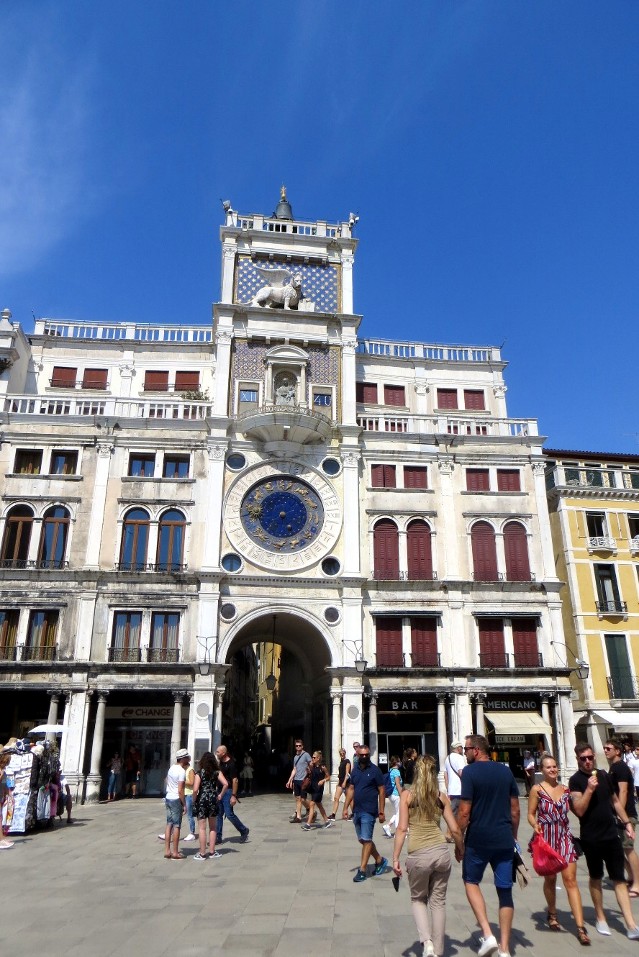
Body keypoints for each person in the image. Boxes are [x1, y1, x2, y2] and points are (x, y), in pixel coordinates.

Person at [456, 734, 520, 957]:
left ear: (476, 750)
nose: (464, 753)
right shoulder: (505, 771)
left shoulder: (470, 773)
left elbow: (464, 812)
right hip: (503, 839)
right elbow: (515, 810)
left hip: (479, 839)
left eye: (466, 749)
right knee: (505, 891)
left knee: (471, 881)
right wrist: (514, 837)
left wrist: (458, 840)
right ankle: (504, 948)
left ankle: (488, 933)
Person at [393, 754, 463, 957]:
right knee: (438, 902)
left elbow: (402, 829)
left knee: (418, 899)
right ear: (434, 774)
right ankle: (439, 951)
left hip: (418, 854)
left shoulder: (407, 795)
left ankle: (427, 943)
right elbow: (455, 829)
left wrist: (396, 858)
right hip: (441, 852)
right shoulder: (441, 797)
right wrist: (460, 849)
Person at [569, 741, 639, 940]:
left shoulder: (604, 775)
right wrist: (589, 790)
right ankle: (600, 916)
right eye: (584, 759)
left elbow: (615, 801)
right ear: (578, 760)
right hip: (591, 837)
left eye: (591, 757)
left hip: (611, 834)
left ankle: (631, 923)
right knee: (596, 877)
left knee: (619, 878)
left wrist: (626, 822)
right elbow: (579, 810)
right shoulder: (575, 781)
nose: (589, 761)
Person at [527, 753, 590, 945]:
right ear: (541, 770)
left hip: (564, 837)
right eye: (548, 767)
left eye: (554, 766)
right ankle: (552, 912)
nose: (553, 770)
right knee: (550, 879)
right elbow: (530, 814)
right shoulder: (536, 790)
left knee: (571, 880)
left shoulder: (565, 790)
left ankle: (580, 928)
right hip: (546, 839)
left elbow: (577, 810)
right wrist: (534, 825)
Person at [346, 743, 388, 883]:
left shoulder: (375, 771)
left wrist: (381, 811)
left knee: (367, 839)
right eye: (361, 755)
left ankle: (362, 870)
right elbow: (351, 788)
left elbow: (382, 791)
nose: (364, 757)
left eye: (366, 755)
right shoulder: (355, 770)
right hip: (357, 810)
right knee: (363, 840)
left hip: (369, 810)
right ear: (357, 755)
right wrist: (345, 807)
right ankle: (379, 860)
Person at [605, 737, 639, 895]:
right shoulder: (614, 768)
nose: (605, 751)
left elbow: (623, 791)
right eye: (605, 748)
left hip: (627, 815)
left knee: (628, 849)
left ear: (617, 751)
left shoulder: (620, 768)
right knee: (620, 849)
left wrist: (622, 815)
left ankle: (637, 884)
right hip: (618, 815)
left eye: (608, 748)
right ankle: (632, 877)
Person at [192, 751, 228, 860]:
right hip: (213, 798)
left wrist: (194, 800)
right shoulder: (217, 772)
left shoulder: (199, 773)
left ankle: (202, 853)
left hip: (202, 799)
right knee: (213, 827)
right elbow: (226, 784)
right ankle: (212, 851)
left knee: (202, 828)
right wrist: (220, 795)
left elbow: (195, 789)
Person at [215, 745, 249, 843]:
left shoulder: (231, 764)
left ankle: (243, 830)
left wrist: (233, 796)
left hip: (228, 791)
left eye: (218, 752)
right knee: (218, 814)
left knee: (229, 814)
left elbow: (235, 780)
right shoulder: (220, 762)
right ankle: (218, 836)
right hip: (220, 790)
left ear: (223, 753)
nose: (216, 753)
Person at [163, 747, 189, 860]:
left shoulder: (171, 768)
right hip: (176, 799)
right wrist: (184, 804)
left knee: (169, 824)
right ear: (183, 759)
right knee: (177, 825)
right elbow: (180, 790)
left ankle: (167, 850)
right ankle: (175, 852)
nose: (189, 759)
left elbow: (166, 780)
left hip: (168, 797)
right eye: (187, 757)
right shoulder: (181, 771)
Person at [302, 751, 333, 830]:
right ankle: (327, 821)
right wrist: (308, 770)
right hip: (313, 788)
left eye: (314, 757)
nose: (312, 759)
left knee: (312, 804)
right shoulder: (312, 766)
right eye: (312, 757)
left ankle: (308, 824)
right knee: (319, 805)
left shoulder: (322, 767)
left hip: (319, 789)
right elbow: (310, 775)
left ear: (318, 758)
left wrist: (323, 780)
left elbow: (328, 777)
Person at [285, 738, 312, 824]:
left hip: (303, 780)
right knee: (297, 798)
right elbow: (294, 769)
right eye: (296, 746)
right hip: (296, 779)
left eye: (299, 746)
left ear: (302, 746)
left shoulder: (306, 755)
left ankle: (311, 809)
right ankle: (298, 817)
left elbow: (311, 764)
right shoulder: (295, 757)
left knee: (303, 799)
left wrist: (309, 770)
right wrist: (290, 780)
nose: (298, 747)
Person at [443, 741, 465, 842]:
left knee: (452, 813)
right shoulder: (460, 758)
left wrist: (448, 788)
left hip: (452, 789)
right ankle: (455, 834)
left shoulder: (447, 758)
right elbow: (462, 772)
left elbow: (445, 775)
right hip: (460, 789)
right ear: (458, 748)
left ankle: (449, 834)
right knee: (461, 813)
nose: (463, 749)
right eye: (461, 747)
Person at [382, 755, 403, 838]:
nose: (400, 763)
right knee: (399, 813)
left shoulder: (390, 771)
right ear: (397, 762)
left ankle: (388, 826)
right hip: (396, 794)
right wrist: (402, 795)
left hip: (391, 794)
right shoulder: (396, 772)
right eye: (399, 761)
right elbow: (398, 785)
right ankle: (398, 832)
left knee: (397, 812)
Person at [329, 748, 351, 820]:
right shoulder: (341, 762)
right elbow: (340, 774)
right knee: (336, 798)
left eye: (343, 753)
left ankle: (354, 813)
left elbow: (347, 773)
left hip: (346, 783)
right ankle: (333, 814)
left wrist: (344, 782)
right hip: (340, 782)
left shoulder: (347, 761)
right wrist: (339, 782)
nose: (342, 754)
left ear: (345, 753)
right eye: (340, 753)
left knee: (349, 799)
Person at [341, 741, 361, 821]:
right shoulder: (354, 755)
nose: (355, 748)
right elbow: (354, 765)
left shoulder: (361, 755)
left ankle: (356, 812)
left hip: (360, 776)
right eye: (354, 747)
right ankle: (354, 812)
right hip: (355, 775)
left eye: (356, 746)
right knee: (353, 794)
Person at [0, 747, 15, 850]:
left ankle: (2, 838)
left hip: (1, 796)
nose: (6, 764)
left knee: (0, 817)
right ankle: (1, 840)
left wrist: (10, 794)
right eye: (5, 762)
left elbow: (5, 784)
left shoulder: (3, 771)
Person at [182, 756, 196, 842]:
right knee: (178, 813)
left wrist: (181, 781)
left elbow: (191, 782)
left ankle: (192, 833)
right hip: (183, 794)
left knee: (189, 814)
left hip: (189, 794)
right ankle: (171, 831)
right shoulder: (182, 770)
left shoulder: (190, 770)